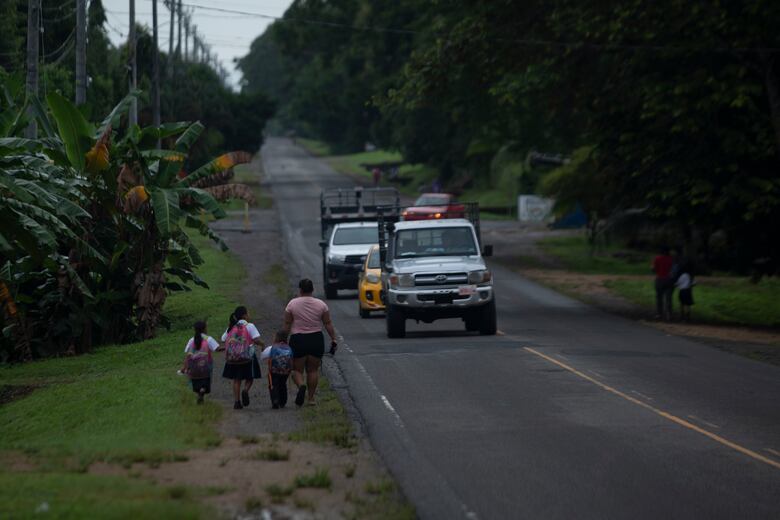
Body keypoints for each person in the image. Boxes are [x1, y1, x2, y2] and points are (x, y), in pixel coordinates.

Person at [283, 279, 338, 406]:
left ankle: (301, 385)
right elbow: (327, 323)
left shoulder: (292, 304)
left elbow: (287, 324)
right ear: (312, 290)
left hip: (298, 339)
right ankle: (311, 398)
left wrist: (283, 340)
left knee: (296, 370)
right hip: (316, 339)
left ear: (300, 290)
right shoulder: (321, 305)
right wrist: (333, 339)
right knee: (313, 371)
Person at [221, 306, 264, 410]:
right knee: (250, 377)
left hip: (233, 358)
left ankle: (237, 402)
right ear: (244, 315)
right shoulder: (250, 326)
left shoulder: (231, 327)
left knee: (237, 379)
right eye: (248, 313)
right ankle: (245, 390)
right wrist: (263, 344)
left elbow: (223, 339)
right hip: (248, 356)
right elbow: (256, 339)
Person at [182, 320, 220, 404]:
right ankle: (203, 390)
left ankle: (199, 392)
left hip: (194, 367)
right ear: (204, 329)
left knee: (196, 381)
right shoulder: (208, 339)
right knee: (205, 380)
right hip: (206, 366)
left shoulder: (192, 340)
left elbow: (188, 354)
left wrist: (184, 367)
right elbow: (217, 348)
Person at [260, 330, 294, 409]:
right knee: (283, 385)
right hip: (285, 371)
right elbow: (291, 360)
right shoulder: (289, 348)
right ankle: (283, 402)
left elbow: (263, 356)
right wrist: (290, 369)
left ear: (276, 338)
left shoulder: (272, 347)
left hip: (274, 370)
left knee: (273, 385)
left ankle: (275, 400)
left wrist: (262, 350)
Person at [652, 246, 674, 321]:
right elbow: (674, 269)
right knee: (669, 298)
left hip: (660, 279)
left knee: (659, 298)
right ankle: (669, 314)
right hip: (669, 280)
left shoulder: (657, 258)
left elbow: (654, 269)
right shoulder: (671, 259)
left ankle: (659, 314)